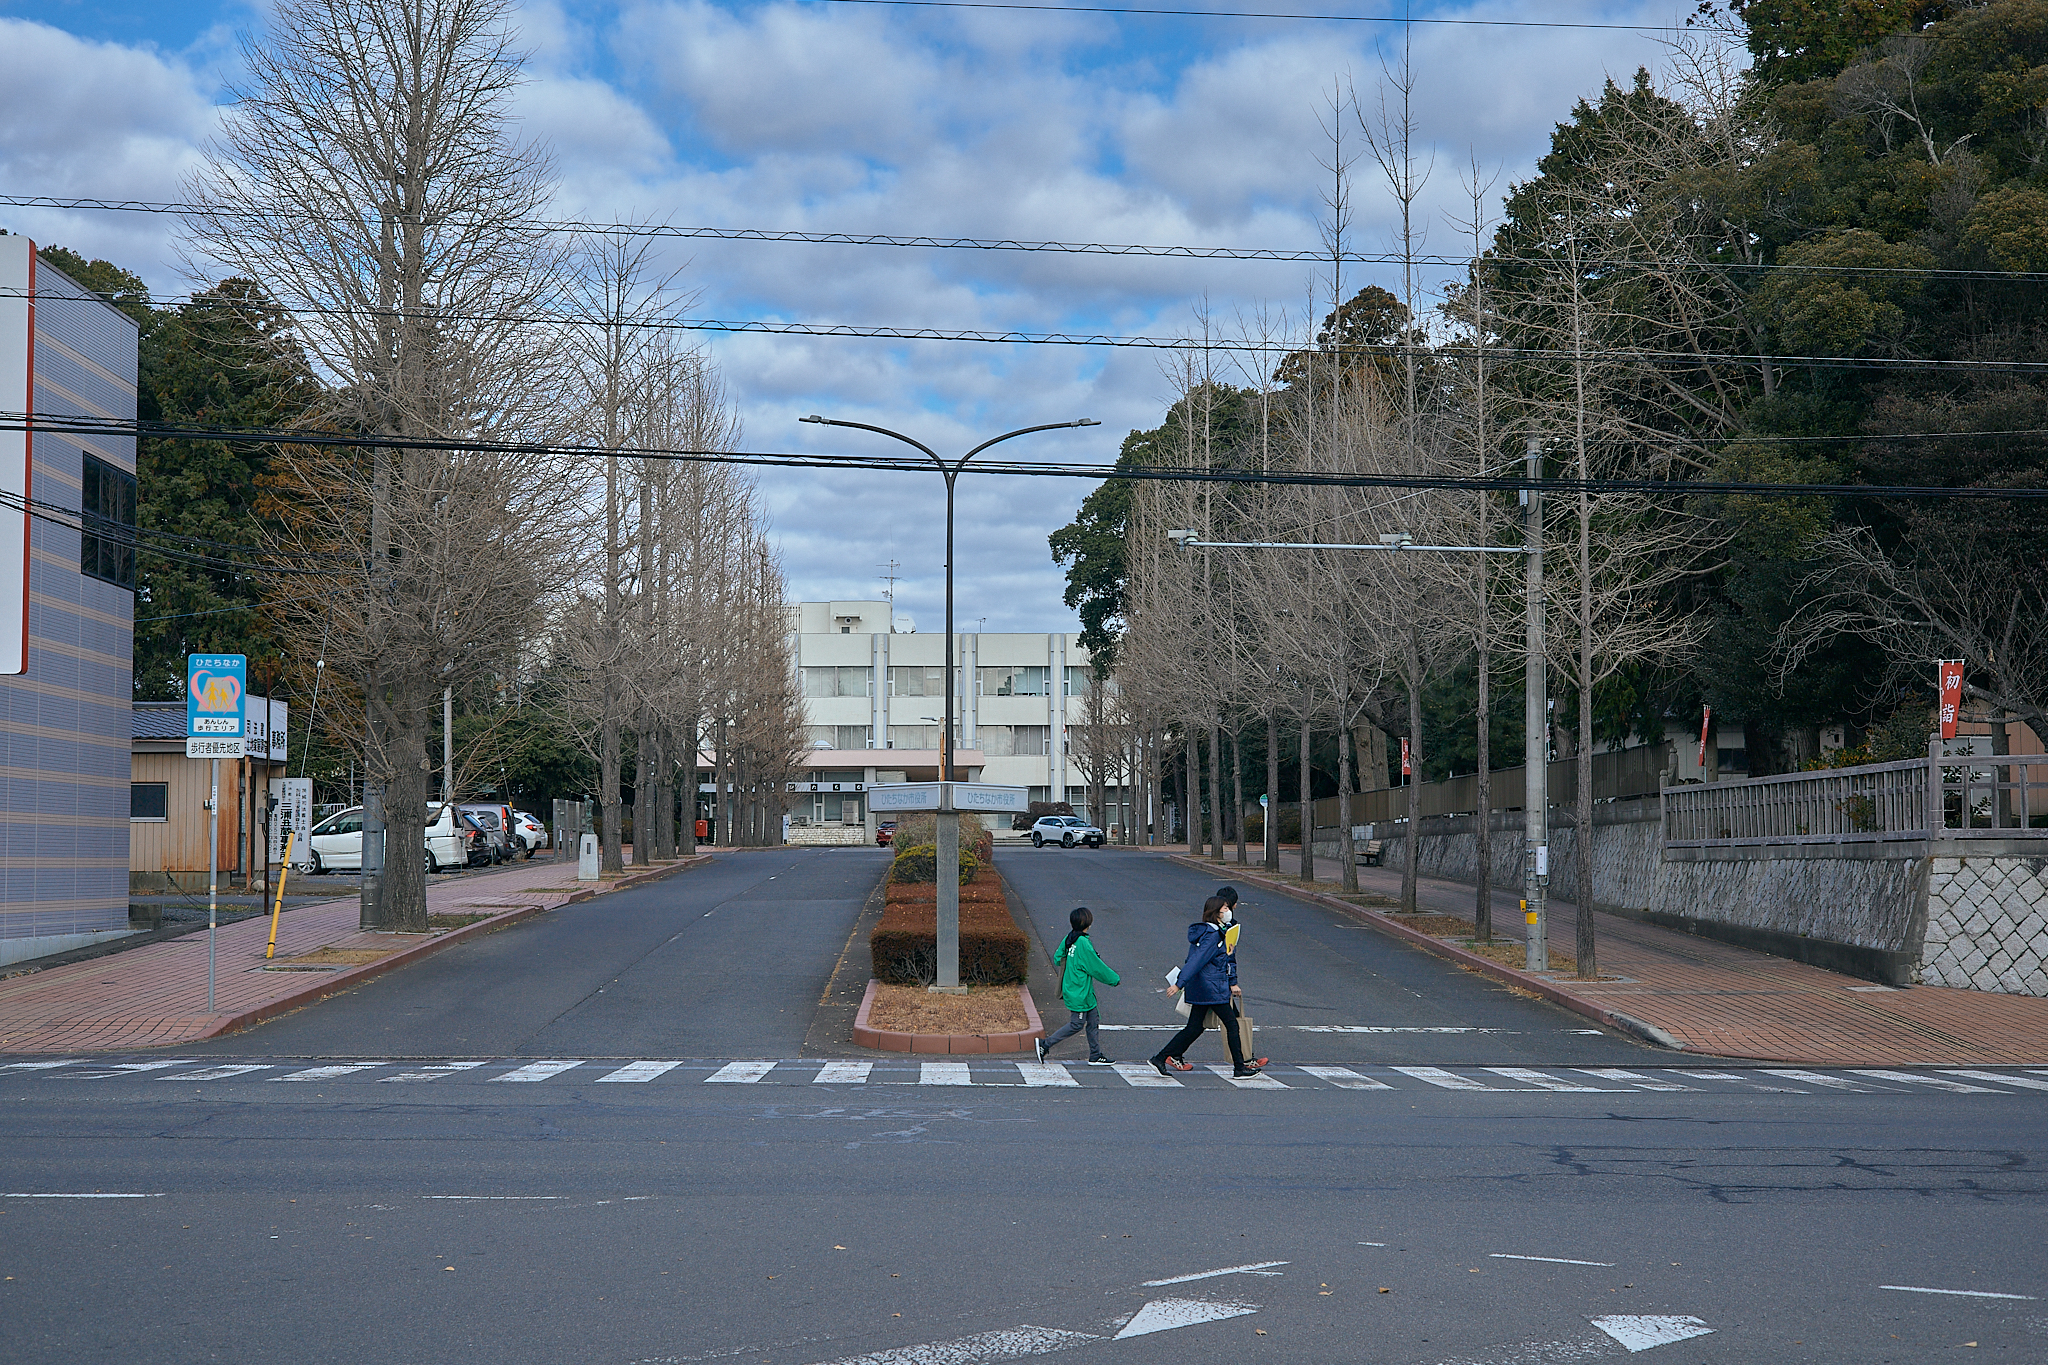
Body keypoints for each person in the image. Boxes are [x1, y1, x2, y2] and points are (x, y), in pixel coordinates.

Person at [1151, 896, 1262, 1078]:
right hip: (1212, 988)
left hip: (1206, 987)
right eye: (1225, 908)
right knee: (1232, 1025)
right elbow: (1196, 961)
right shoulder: (1212, 935)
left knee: (1195, 1027)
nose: (1228, 911)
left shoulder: (1215, 932)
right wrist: (1179, 983)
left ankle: (1160, 1057)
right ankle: (1239, 1067)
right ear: (1215, 912)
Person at [1038, 907, 1120, 1065]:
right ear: (1088, 923)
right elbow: (1096, 966)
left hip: (1081, 990)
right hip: (1079, 991)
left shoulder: (1070, 937)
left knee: (1093, 1020)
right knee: (1077, 1024)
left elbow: (1057, 958)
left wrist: (1072, 965)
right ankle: (1045, 1044)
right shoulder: (1083, 943)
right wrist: (1114, 979)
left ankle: (1095, 1055)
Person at [1214, 886, 1269, 1070]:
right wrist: (1233, 983)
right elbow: (1229, 957)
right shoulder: (1224, 928)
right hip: (1216, 983)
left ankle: (1171, 1055)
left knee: (1196, 1025)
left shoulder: (1212, 922)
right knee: (1232, 1022)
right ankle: (1243, 1062)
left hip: (1212, 983)